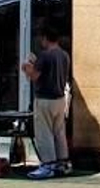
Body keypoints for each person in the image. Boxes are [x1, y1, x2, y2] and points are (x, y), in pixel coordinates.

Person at [23, 23, 72, 179]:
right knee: (59, 132)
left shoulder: (45, 56)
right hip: (59, 98)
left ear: (45, 38)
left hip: (44, 98)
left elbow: (35, 76)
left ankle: (47, 165)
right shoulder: (64, 55)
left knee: (44, 134)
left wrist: (27, 67)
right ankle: (62, 163)